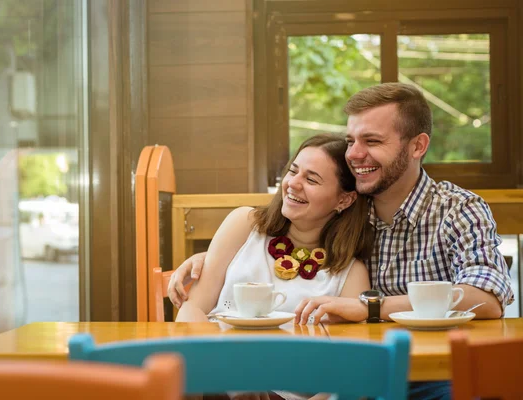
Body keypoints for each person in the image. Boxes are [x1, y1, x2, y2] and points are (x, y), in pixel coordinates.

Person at [168, 83, 514, 400]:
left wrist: (370, 308)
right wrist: (210, 260)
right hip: (369, 377)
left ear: (417, 146)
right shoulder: (347, 216)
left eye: (373, 141)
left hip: (435, 375)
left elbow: (486, 298)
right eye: (351, 141)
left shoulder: (457, 209)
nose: (355, 154)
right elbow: (279, 234)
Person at [176, 133, 373, 324]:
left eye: (311, 180)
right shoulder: (243, 224)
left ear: (344, 200)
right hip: (219, 350)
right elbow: (193, 307)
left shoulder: (351, 273)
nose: (293, 183)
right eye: (293, 171)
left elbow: (351, 345)